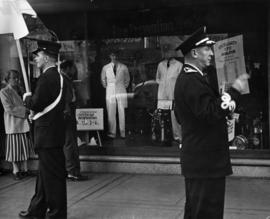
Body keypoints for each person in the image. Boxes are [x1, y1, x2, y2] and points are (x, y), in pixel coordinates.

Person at [174, 26, 249, 219]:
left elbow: (190, 115)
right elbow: (210, 112)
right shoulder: (191, 80)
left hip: (202, 162)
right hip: (205, 163)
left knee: (197, 212)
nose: (210, 53)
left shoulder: (193, 78)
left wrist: (225, 109)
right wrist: (234, 90)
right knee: (207, 213)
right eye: (207, 49)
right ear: (194, 52)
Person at [19, 40, 67, 219]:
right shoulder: (58, 76)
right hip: (51, 134)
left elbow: (37, 103)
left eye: (38, 56)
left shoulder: (47, 77)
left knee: (52, 177)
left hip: (48, 136)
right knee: (44, 176)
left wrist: (27, 98)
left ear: (46, 57)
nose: (36, 59)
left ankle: (57, 214)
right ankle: (36, 211)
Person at [0, 70, 33, 180]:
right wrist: (25, 110)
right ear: (8, 79)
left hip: (23, 123)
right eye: (14, 78)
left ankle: (25, 169)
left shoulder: (21, 90)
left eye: (18, 78)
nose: (17, 80)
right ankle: (16, 170)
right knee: (15, 149)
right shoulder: (4, 91)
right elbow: (9, 109)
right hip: (13, 124)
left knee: (24, 148)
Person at [60, 60, 88, 181]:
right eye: (73, 68)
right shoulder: (62, 80)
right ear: (68, 68)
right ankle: (72, 171)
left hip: (70, 111)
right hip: (67, 113)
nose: (75, 70)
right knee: (70, 144)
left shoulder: (67, 79)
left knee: (71, 143)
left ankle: (73, 169)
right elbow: (66, 99)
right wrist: (68, 113)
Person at [156, 44, 183, 142]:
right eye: (165, 51)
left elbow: (181, 81)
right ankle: (163, 136)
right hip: (162, 93)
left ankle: (178, 137)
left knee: (174, 115)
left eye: (168, 51)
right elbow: (157, 78)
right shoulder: (160, 65)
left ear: (173, 52)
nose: (166, 53)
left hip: (173, 93)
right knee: (161, 114)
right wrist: (162, 84)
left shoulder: (179, 65)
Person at [101, 50, 130, 139]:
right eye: (112, 55)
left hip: (121, 89)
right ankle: (112, 132)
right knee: (111, 111)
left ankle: (122, 132)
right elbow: (103, 79)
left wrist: (122, 86)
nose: (114, 57)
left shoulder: (124, 67)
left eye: (116, 55)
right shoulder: (105, 68)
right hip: (110, 90)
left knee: (122, 111)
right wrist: (108, 86)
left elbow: (127, 79)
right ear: (110, 56)